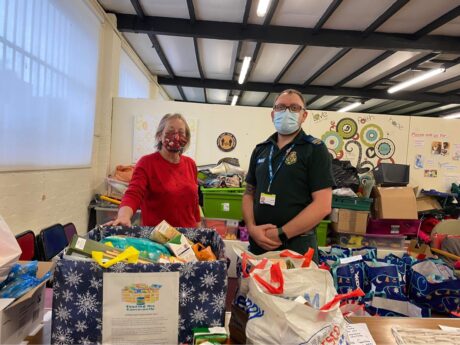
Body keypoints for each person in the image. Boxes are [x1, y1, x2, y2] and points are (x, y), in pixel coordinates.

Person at [242, 89, 334, 262]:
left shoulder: (314, 149)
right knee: (256, 289)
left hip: (296, 246)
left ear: (304, 115)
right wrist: (252, 228)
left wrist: (281, 234)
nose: (286, 112)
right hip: (259, 243)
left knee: (295, 290)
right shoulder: (261, 150)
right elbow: (248, 194)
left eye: (294, 108)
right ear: (272, 114)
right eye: (281, 107)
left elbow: (323, 205)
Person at [108, 113, 201, 228]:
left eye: (181, 133)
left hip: (188, 237)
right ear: (159, 136)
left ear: (186, 139)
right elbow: (133, 193)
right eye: (170, 131)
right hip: (158, 238)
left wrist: (199, 230)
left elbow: (194, 203)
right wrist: (123, 216)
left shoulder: (190, 164)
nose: (176, 136)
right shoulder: (147, 163)